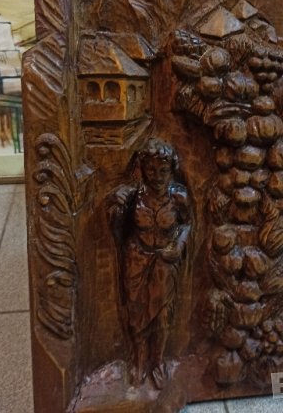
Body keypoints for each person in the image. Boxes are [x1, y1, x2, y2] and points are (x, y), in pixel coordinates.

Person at [109, 138, 192, 389]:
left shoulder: (178, 197)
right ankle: (138, 360)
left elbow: (187, 224)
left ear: (171, 169)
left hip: (164, 261)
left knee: (163, 316)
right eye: (151, 170)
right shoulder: (134, 196)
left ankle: (157, 362)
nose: (157, 176)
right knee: (136, 315)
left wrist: (178, 245)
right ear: (143, 169)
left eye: (163, 170)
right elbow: (117, 231)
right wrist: (116, 208)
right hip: (136, 259)